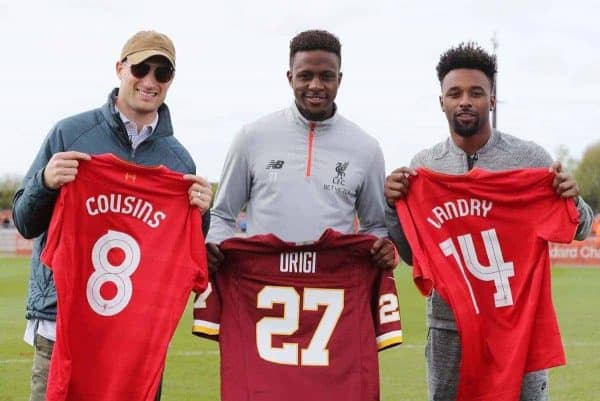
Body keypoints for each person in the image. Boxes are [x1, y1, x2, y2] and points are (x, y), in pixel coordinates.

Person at [384, 42, 594, 401]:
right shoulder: (423, 168)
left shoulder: (530, 159)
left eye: (476, 92)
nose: (465, 100)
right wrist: (393, 205)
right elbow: (413, 256)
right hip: (450, 330)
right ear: (442, 102)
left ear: (492, 100)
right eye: (455, 93)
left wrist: (572, 197)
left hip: (517, 328)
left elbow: (581, 227)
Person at [12, 30, 212, 401]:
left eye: (162, 74)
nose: (150, 81)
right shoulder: (69, 134)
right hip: (62, 326)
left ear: (170, 82)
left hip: (135, 338)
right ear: (120, 68)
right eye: (141, 68)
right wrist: (45, 181)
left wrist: (201, 213)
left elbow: (186, 253)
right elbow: (25, 222)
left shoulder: (179, 162)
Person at [206, 29, 396, 269]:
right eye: (305, 75)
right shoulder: (252, 137)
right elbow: (222, 215)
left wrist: (382, 247)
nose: (315, 85)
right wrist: (213, 244)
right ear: (290, 78)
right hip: (261, 286)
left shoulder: (366, 148)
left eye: (326, 76)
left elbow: (375, 226)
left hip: (334, 289)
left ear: (339, 79)